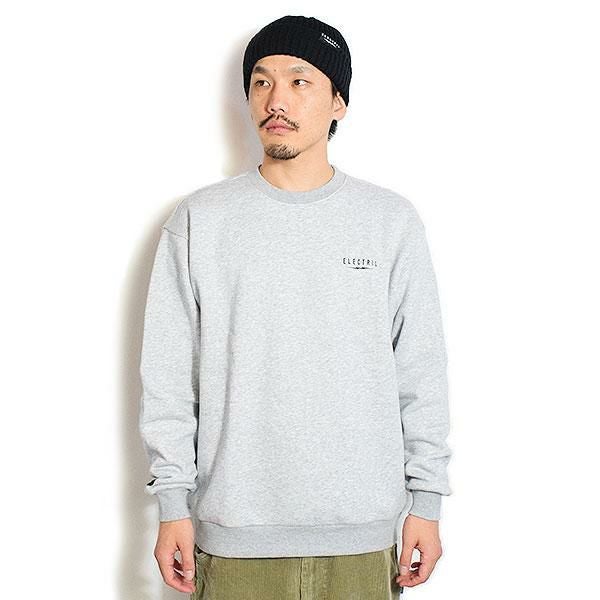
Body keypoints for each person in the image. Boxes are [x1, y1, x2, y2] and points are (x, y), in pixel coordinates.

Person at [138, 15, 453, 600]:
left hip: (364, 539)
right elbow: (169, 377)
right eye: (261, 82)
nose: (275, 100)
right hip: (233, 540)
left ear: (338, 102)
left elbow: (420, 373)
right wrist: (172, 503)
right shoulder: (200, 221)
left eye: (299, 80)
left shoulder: (389, 222)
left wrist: (427, 500)